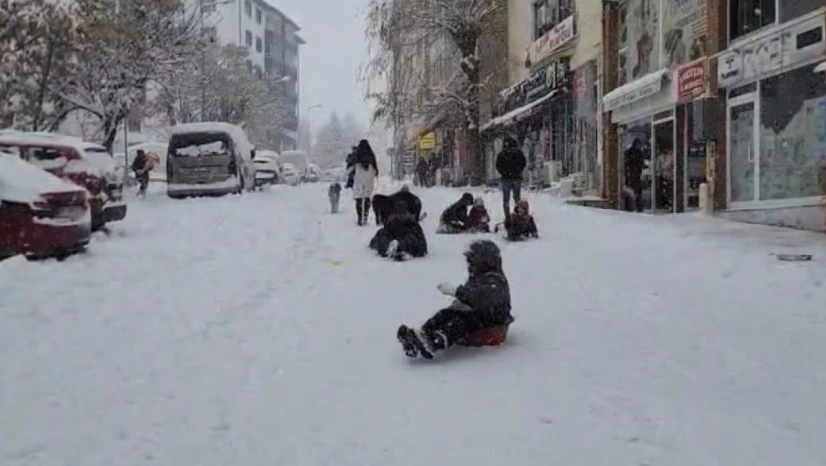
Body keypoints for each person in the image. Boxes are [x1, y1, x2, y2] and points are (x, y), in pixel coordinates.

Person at [397, 239, 514, 359]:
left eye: (472, 260)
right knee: (446, 313)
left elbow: (479, 298)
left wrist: (457, 292)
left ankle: (435, 342)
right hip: (480, 315)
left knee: (461, 321)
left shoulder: (496, 280)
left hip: (493, 324)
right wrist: (456, 305)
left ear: (484, 261)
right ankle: (423, 335)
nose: (469, 264)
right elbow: (470, 299)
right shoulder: (478, 278)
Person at [495, 136, 527, 219]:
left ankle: (507, 216)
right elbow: (523, 163)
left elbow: (498, 166)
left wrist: (504, 173)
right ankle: (519, 214)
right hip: (516, 178)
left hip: (506, 178)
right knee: (517, 198)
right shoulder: (518, 153)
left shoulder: (502, 154)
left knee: (506, 199)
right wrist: (518, 171)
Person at [352, 140, 379, 225]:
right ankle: (365, 215)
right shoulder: (371, 154)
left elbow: (352, 165)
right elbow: (375, 167)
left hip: (359, 176)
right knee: (367, 197)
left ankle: (360, 217)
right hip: (369, 177)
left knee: (359, 198)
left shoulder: (357, 154)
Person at [623, 138, 645, 212]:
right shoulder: (630, 152)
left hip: (635, 175)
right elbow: (626, 163)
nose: (639, 146)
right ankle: (631, 207)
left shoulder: (638, 153)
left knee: (636, 192)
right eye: (639, 145)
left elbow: (641, 163)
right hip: (631, 175)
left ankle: (637, 207)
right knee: (632, 192)